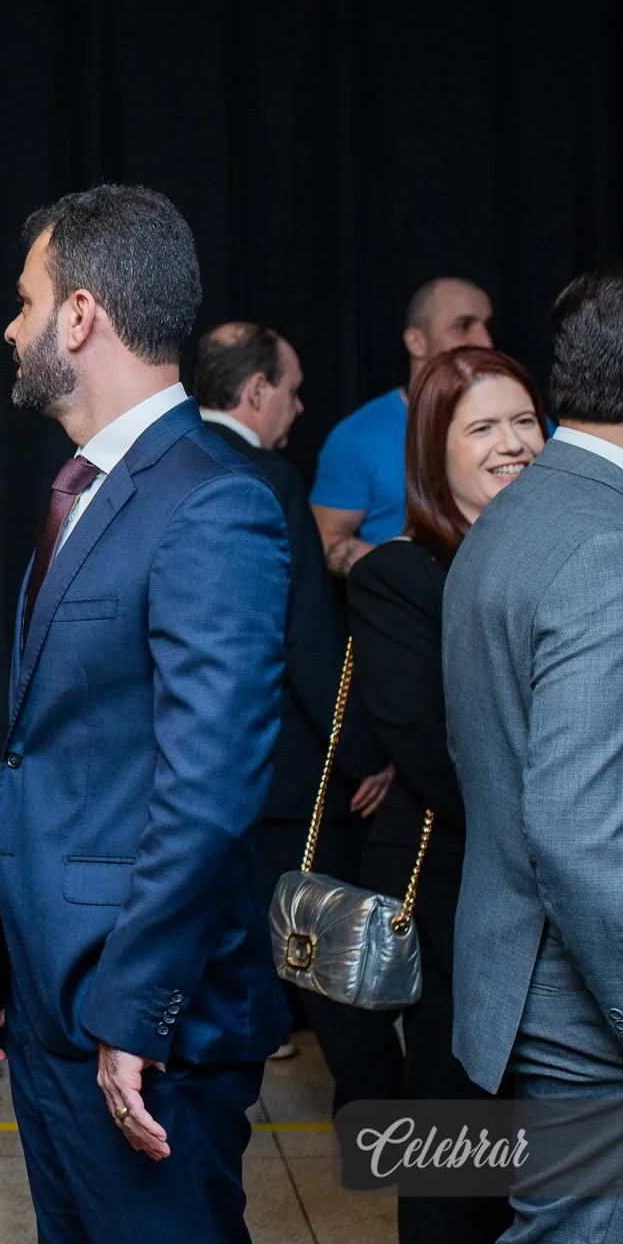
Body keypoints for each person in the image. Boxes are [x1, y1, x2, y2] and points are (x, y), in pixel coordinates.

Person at [0, 185, 290, 1244]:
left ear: (79, 315)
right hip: (57, 1007)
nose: (11, 326)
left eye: (25, 301)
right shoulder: (85, 491)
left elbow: (208, 791)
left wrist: (130, 1014)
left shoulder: (209, 502)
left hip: (142, 1026)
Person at [444, 263, 623, 1244]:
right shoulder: (616, 548)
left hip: (529, 989)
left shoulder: (514, 517)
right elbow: (581, 836)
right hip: (597, 1016)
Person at [347, 346, 543, 1244]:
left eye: (525, 421)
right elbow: (427, 745)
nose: (513, 444)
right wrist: (567, 824)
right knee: (454, 1155)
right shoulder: (401, 574)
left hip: (566, 897)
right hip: (460, 898)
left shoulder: (572, 552)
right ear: (435, 451)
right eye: (483, 427)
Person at [194, 323, 394, 1081]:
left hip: (195, 772)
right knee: (336, 967)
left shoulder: (166, 463)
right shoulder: (270, 479)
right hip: (287, 775)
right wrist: (367, 753)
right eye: (292, 389)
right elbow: (307, 635)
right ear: (256, 391)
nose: (300, 406)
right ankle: (386, 1128)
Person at [311, 278, 493, 575]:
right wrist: (411, 580)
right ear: (416, 342)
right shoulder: (358, 435)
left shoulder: (520, 425)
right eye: (463, 326)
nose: (485, 341)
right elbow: (326, 538)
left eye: (487, 326)